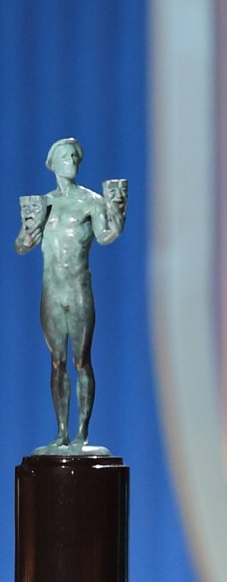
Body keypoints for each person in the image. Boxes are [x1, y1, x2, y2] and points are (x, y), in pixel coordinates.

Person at [14, 137, 128, 453]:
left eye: (75, 156)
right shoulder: (43, 204)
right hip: (52, 291)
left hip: (78, 290)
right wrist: (26, 237)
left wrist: (118, 216)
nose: (72, 160)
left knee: (81, 361)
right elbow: (22, 245)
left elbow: (106, 236)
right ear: (53, 163)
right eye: (65, 156)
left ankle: (81, 433)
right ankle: (61, 432)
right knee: (56, 361)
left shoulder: (91, 202)